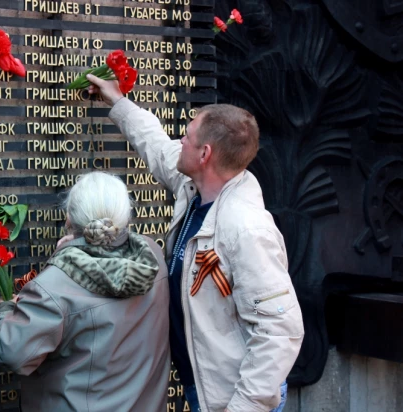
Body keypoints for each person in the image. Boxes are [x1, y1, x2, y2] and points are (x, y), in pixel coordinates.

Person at [86, 74, 304, 412]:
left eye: (186, 136)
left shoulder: (246, 229)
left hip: (234, 400)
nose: (180, 141)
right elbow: (157, 145)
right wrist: (118, 102)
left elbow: (279, 332)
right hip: (206, 390)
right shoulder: (196, 189)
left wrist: (242, 408)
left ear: (205, 153)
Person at [0, 171, 171, 411]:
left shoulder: (55, 286)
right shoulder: (153, 257)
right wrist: (71, 251)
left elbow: (11, 352)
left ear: (68, 220)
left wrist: (5, 308)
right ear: (125, 216)